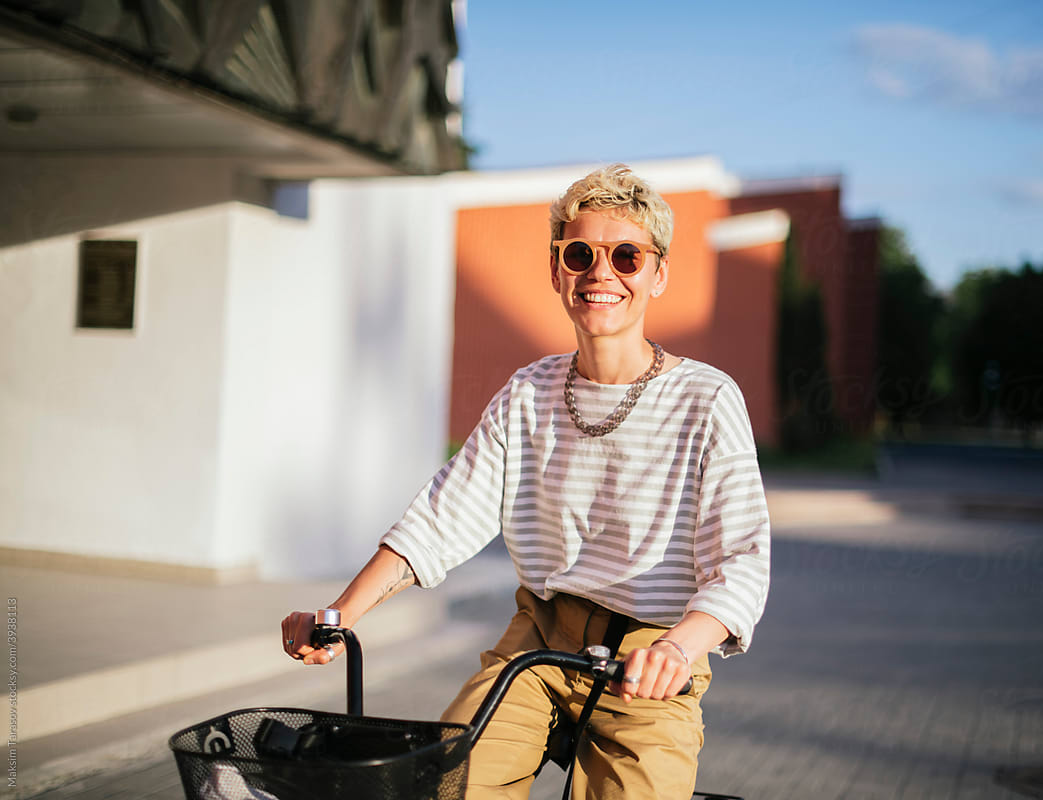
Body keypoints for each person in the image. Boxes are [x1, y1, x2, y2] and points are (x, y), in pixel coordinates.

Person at [281, 163, 771, 799]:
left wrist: (678, 650)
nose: (601, 273)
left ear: (658, 274)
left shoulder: (706, 399)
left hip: (649, 655)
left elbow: (741, 561)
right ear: (556, 269)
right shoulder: (529, 392)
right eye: (580, 254)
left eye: (626, 256)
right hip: (539, 641)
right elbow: (441, 518)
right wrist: (339, 614)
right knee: (447, 784)